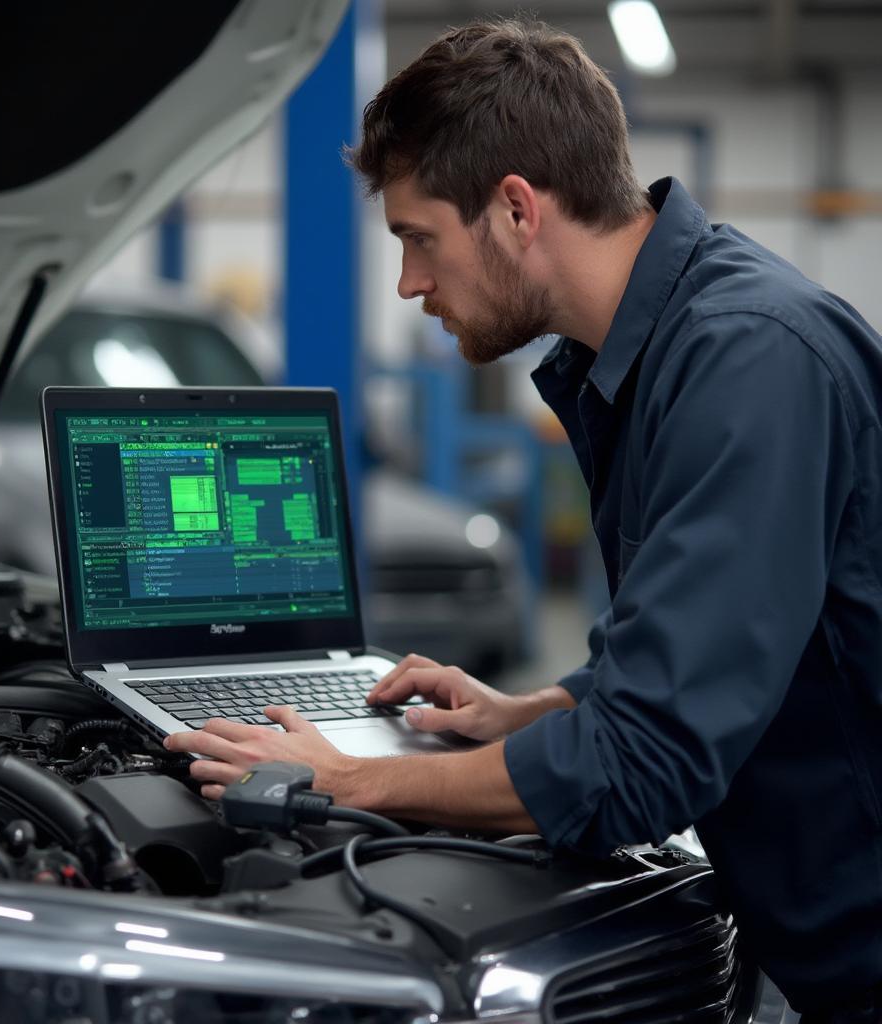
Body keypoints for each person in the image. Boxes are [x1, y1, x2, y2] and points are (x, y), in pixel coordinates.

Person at [165, 17, 882, 1022]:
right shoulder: (653, 357)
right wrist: (532, 710)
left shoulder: (745, 361)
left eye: (418, 238)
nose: (411, 283)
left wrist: (348, 779)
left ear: (514, 210)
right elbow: (722, 649)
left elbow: (644, 765)